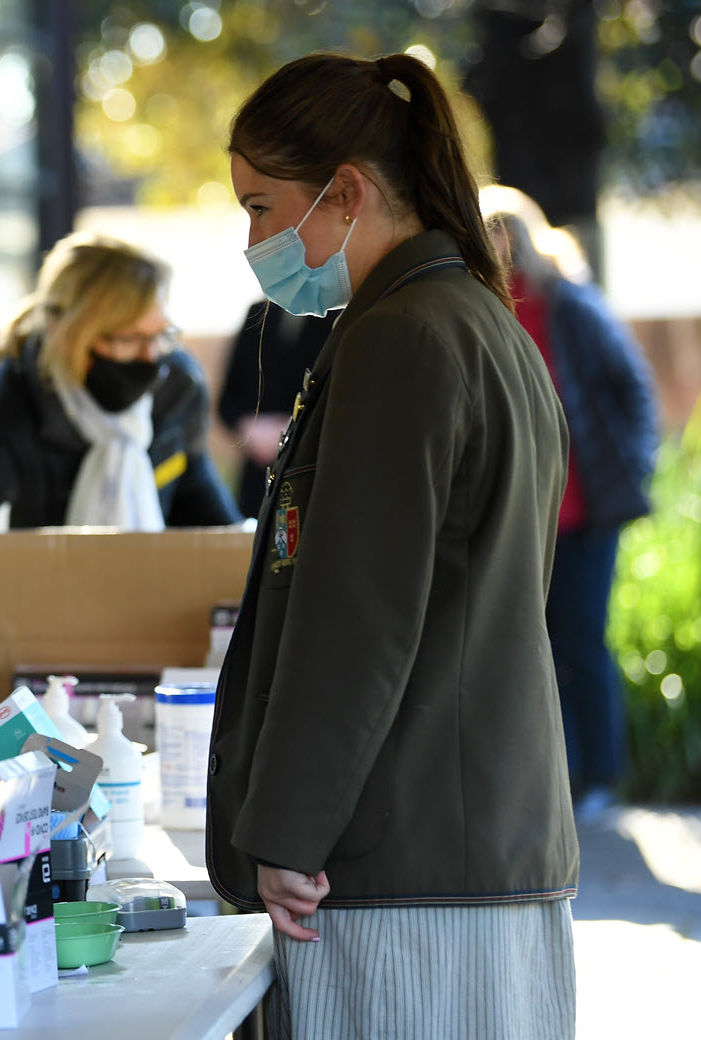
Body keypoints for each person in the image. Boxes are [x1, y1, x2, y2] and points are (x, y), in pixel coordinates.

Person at [208, 53, 577, 1039]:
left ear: (347, 193)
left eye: (259, 205)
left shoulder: (403, 337)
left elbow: (357, 614)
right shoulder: (475, 320)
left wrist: (284, 832)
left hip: (397, 866)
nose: (251, 238)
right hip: (474, 849)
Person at [0, 232, 240, 634]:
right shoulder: (10, 407)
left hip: (146, 632)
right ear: (68, 333)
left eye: (161, 335)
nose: (152, 358)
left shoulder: (176, 389)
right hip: (30, 638)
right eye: (129, 340)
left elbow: (209, 522)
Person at [482, 184, 660, 819]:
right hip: (523, 518)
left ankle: (601, 777)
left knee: (582, 640)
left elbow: (633, 390)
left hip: (586, 512)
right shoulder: (483, 309)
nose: (498, 243)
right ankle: (555, 777)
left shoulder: (570, 306)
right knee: (533, 647)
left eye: (504, 230)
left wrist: (633, 467)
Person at [216, 302, 333, 517]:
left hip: (312, 471)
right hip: (257, 475)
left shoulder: (339, 317)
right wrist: (249, 429)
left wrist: (293, 429)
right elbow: (228, 400)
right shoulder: (257, 314)